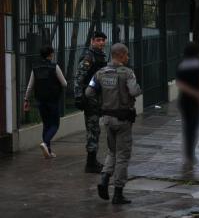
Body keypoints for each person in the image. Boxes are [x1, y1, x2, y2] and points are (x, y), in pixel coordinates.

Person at [85, 43, 141, 204]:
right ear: (122, 55)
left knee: (112, 151)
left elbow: (89, 92)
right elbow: (134, 91)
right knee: (123, 155)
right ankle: (118, 192)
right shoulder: (127, 73)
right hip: (123, 119)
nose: (128, 58)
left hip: (107, 119)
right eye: (127, 55)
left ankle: (104, 178)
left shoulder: (100, 73)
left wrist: (100, 103)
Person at [24, 46, 67, 158]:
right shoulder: (54, 66)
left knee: (46, 125)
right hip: (53, 100)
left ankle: (48, 151)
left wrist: (26, 99)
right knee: (55, 124)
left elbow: (29, 86)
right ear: (50, 54)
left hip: (40, 100)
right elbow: (64, 83)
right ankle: (45, 143)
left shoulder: (35, 68)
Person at [74, 31, 107, 173]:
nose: (101, 42)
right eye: (98, 40)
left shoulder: (99, 56)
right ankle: (90, 163)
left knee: (95, 130)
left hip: (97, 99)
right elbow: (79, 78)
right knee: (93, 130)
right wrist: (79, 97)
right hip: (89, 99)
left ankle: (92, 161)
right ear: (92, 41)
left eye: (103, 40)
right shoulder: (89, 57)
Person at [176, 42, 199, 165]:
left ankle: (187, 152)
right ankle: (191, 153)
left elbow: (180, 84)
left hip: (184, 100)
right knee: (194, 127)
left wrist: (191, 92)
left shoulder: (181, 64)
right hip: (195, 101)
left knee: (186, 126)